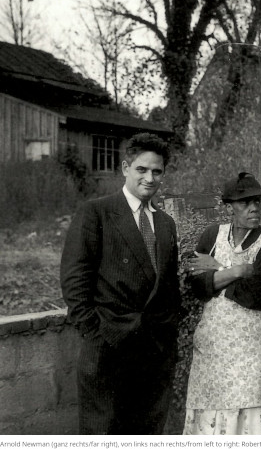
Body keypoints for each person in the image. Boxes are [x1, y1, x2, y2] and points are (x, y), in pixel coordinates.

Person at [60, 133, 180, 434]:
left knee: (146, 433)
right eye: (142, 169)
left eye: (157, 171)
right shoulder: (97, 212)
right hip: (108, 349)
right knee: (104, 433)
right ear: (126, 168)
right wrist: (97, 334)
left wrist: (167, 336)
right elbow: (74, 281)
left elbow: (168, 287)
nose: (149, 178)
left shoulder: (165, 223)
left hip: (154, 354)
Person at [183, 172, 261, 435]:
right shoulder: (211, 236)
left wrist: (216, 274)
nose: (254, 208)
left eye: (257, 202)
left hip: (252, 354)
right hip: (212, 352)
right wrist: (237, 271)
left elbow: (257, 295)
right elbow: (196, 286)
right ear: (229, 207)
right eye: (244, 203)